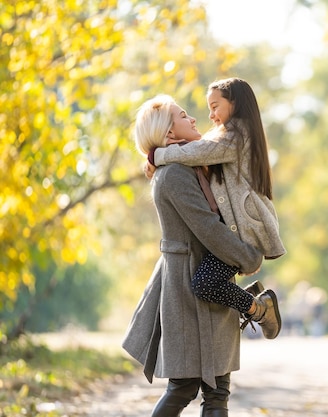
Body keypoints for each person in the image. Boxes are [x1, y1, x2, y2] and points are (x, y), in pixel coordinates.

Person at [122, 95, 273, 417]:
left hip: (210, 276)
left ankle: (258, 308)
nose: (194, 119)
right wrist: (248, 258)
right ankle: (258, 308)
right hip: (188, 286)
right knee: (184, 386)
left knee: (217, 391)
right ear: (169, 135)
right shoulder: (174, 174)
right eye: (183, 116)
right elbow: (207, 227)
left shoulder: (191, 165)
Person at [146, 78, 285, 338]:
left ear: (235, 104)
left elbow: (195, 152)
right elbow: (196, 148)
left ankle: (261, 308)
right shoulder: (225, 136)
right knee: (208, 282)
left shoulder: (237, 135)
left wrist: (157, 155)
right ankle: (252, 299)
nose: (210, 115)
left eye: (215, 106)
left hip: (245, 231)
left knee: (205, 283)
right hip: (238, 228)